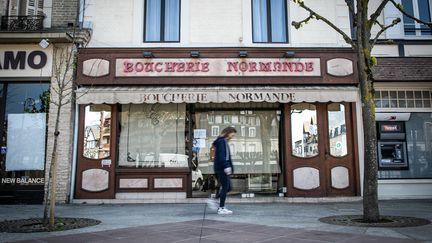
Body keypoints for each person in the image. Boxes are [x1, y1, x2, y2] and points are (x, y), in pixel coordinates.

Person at [207, 126, 236, 215]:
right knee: (225, 187)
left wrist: (231, 167)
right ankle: (221, 208)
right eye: (232, 134)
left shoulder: (224, 141)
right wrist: (226, 167)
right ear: (228, 133)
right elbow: (221, 156)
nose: (233, 136)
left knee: (228, 187)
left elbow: (227, 157)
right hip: (222, 168)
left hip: (223, 168)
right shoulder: (221, 141)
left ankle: (215, 200)